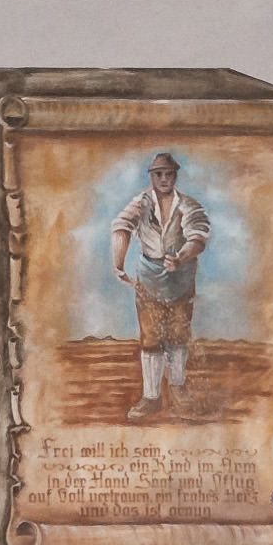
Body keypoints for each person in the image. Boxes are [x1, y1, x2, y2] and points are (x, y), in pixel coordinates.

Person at [106, 150, 213, 414]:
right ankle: (151, 397)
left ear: (175, 176)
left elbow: (198, 237)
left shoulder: (189, 205)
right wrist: (118, 262)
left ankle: (177, 390)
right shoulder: (141, 203)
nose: (164, 179)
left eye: (169, 174)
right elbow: (121, 226)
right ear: (152, 177)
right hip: (149, 277)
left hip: (181, 277)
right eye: (159, 174)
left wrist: (181, 258)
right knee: (150, 336)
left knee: (178, 334)